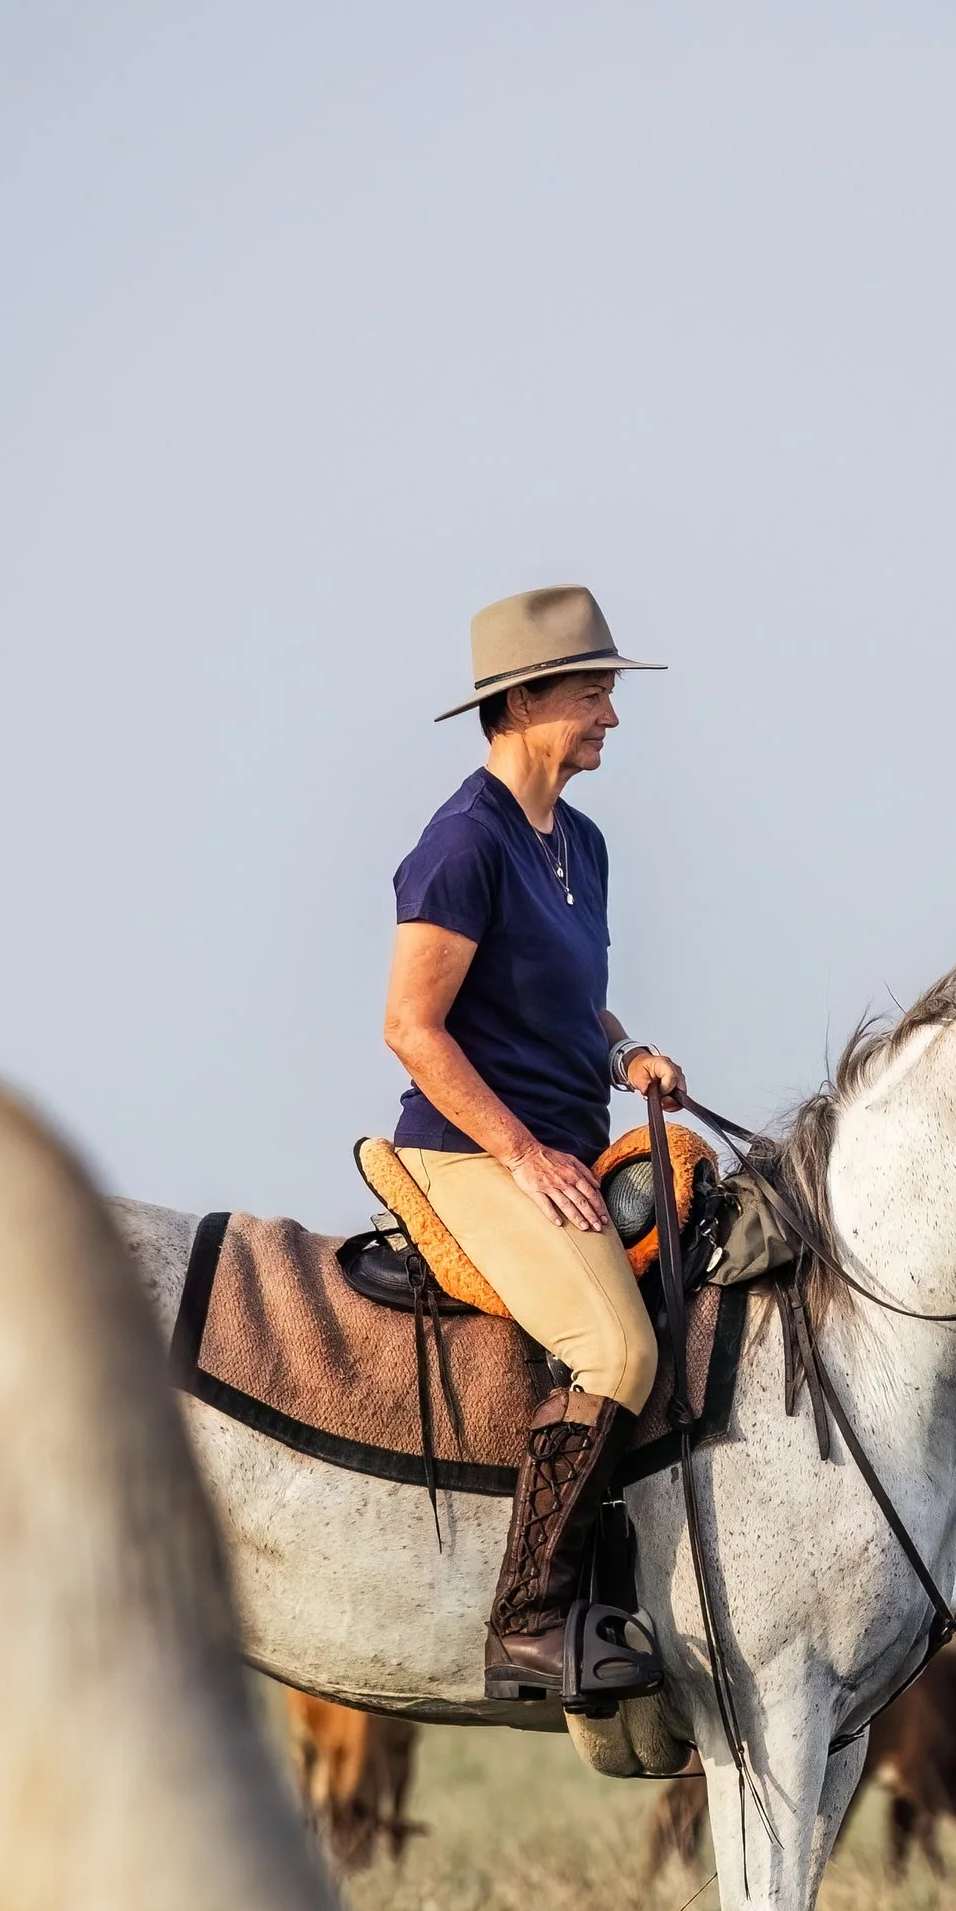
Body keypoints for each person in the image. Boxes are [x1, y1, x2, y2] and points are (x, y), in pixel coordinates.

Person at [381, 585, 689, 1705]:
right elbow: (411, 1028)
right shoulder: (461, 845)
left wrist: (623, 1056)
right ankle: (525, 1620)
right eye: (592, 692)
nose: (612, 715)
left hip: (570, 1136)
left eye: (610, 692)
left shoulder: (586, 844)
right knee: (616, 1354)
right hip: (470, 1155)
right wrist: (520, 1152)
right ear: (520, 703)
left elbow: (565, 1003)